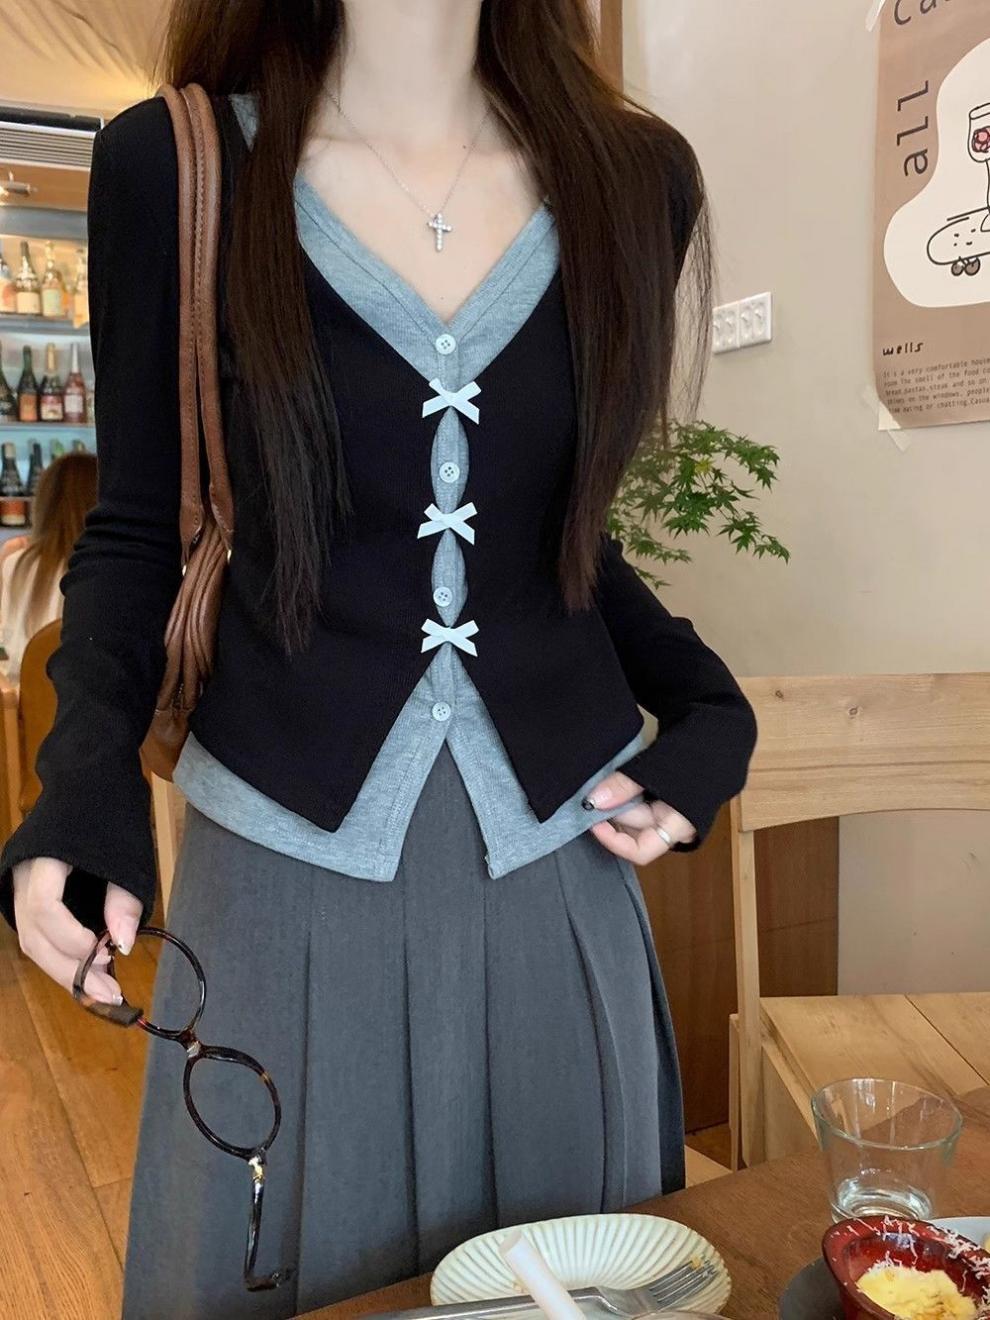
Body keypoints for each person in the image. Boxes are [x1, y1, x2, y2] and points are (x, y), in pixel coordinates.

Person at [2, 2, 759, 1317]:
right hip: (282, 876)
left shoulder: (638, 182)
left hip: (559, 867)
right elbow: (134, 530)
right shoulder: (172, 167)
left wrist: (709, 710)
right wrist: (81, 787)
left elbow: (561, 538)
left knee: (582, 1279)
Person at [0, 452, 97, 680]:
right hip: (90, 695)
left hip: (30, 696)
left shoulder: (16, 563)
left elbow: (8, 643)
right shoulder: (109, 571)